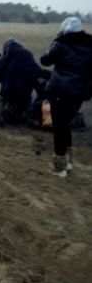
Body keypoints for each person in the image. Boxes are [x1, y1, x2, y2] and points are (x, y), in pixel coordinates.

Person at [40, 16, 92, 177]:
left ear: (65, 29)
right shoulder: (90, 45)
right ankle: (68, 162)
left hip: (59, 91)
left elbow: (45, 60)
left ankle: (59, 167)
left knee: (59, 127)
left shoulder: (61, 43)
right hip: (78, 93)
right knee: (66, 124)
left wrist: (56, 40)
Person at [0, 39, 42, 126]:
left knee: (3, 101)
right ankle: (25, 120)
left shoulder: (7, 54)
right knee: (26, 102)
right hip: (25, 89)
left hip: (9, 87)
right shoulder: (28, 54)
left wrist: (3, 80)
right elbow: (36, 69)